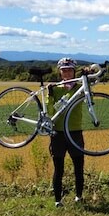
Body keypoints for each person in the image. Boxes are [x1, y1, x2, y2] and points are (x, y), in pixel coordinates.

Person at [47, 57, 85, 207]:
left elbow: (90, 94)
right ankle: (58, 200)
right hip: (58, 133)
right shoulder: (56, 88)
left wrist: (87, 75)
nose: (67, 73)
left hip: (75, 131)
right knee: (59, 168)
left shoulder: (80, 87)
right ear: (60, 72)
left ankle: (79, 197)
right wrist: (49, 95)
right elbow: (50, 112)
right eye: (64, 70)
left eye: (69, 70)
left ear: (74, 71)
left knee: (79, 166)